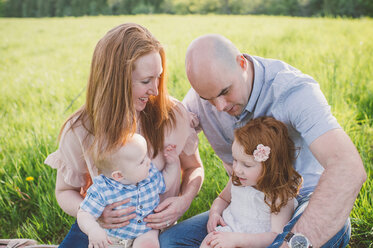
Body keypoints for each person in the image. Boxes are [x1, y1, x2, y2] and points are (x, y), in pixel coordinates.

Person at [159, 34, 366, 247]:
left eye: (225, 92)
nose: (219, 106)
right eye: (208, 99)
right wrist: (183, 199)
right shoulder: (202, 97)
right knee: (170, 241)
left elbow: (347, 167)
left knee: (324, 228)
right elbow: (166, 144)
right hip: (245, 206)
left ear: (241, 64)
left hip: (301, 202)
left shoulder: (293, 91)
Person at [45, 23, 204, 247]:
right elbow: (65, 191)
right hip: (103, 229)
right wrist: (95, 216)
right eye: (146, 81)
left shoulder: (173, 116)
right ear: (115, 82)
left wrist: (184, 201)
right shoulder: (81, 128)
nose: (156, 90)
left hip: (152, 231)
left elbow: (193, 167)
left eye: (158, 77)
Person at [200, 117, 303, 248]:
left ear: (271, 167)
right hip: (227, 233)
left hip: (252, 243)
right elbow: (222, 199)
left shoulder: (279, 196)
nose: (237, 169)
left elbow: (276, 235)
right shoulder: (238, 181)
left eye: (247, 165)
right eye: (235, 160)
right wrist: (214, 213)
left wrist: (237, 240)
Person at [77, 133, 179, 248]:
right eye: (141, 161)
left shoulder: (149, 176)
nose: (149, 161)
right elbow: (84, 213)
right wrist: (93, 230)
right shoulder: (102, 189)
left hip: (146, 230)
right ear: (119, 175)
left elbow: (166, 183)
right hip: (114, 237)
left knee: (148, 244)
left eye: (146, 156)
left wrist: (173, 164)